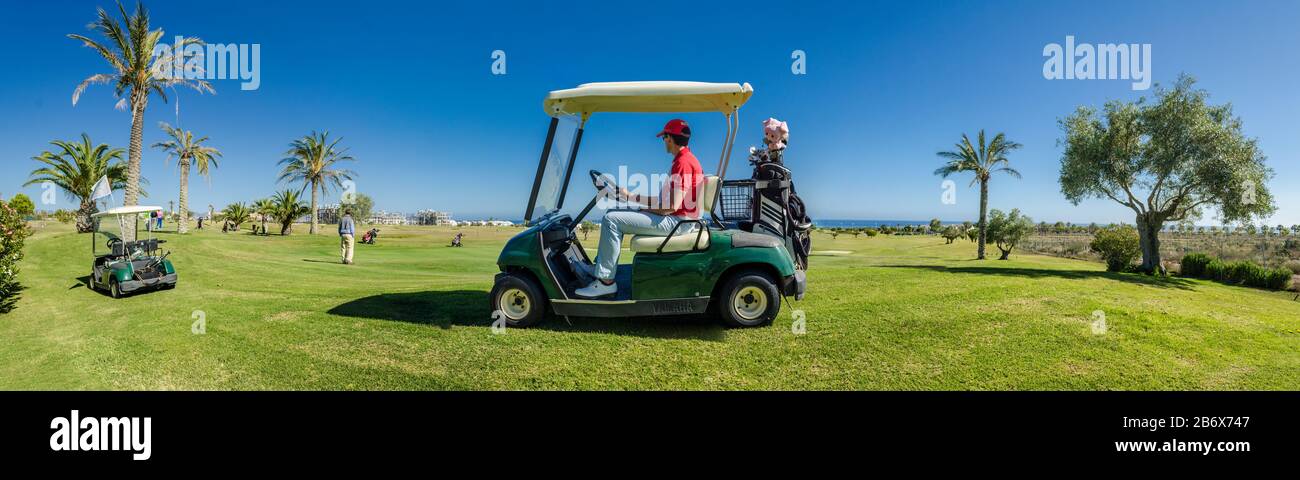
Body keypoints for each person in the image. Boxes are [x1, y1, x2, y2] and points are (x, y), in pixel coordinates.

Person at [574, 119, 703, 298]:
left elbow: (671, 207)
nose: (663, 141)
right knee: (613, 214)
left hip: (678, 223)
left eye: (664, 137)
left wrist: (644, 208)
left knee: (611, 220)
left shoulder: (683, 163)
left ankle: (605, 283)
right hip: (677, 219)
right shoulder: (684, 160)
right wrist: (630, 196)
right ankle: (601, 269)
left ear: (669, 138)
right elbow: (662, 201)